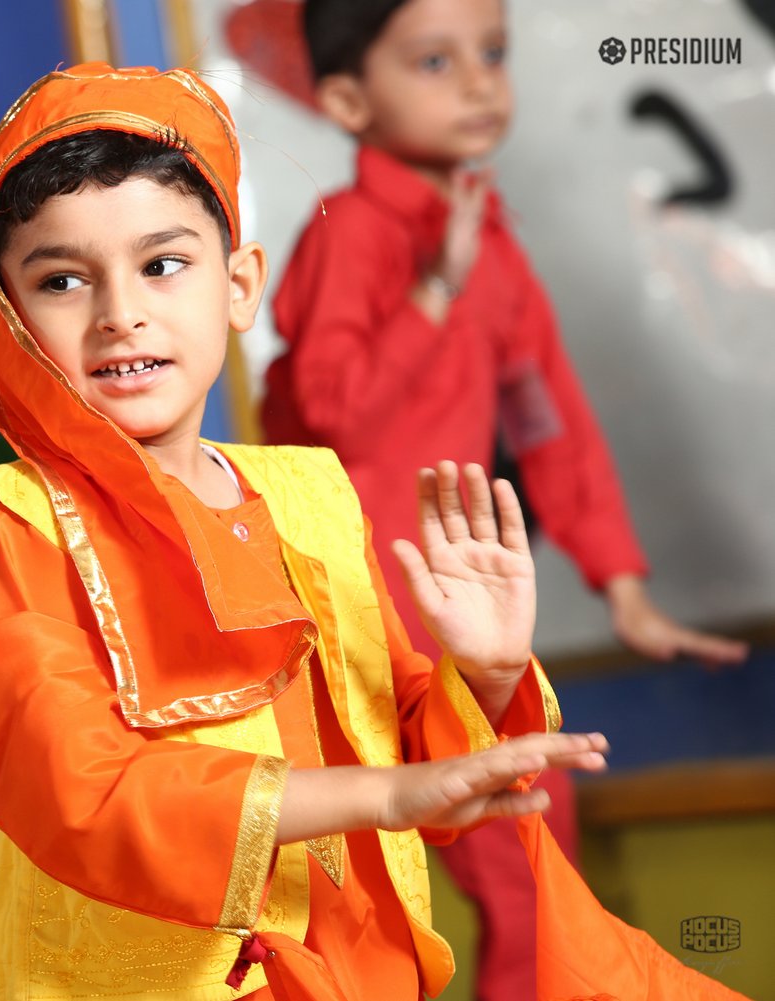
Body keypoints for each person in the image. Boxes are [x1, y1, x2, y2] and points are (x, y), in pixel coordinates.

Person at [0, 62, 748, 1000]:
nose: (122, 314)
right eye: (63, 280)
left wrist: (482, 669)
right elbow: (79, 794)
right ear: (7, 318)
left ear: (239, 285)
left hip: (355, 971)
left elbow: (411, 761)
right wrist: (384, 797)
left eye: (162, 264)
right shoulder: (8, 528)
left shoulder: (310, 495)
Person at [261, 0, 748, 995]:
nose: (480, 81)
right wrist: (434, 293)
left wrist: (622, 581)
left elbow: (546, 416)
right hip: (357, 606)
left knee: (529, 862)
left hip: (457, 610)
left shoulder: (488, 238)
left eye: (493, 53)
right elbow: (326, 404)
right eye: (435, 61)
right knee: (356, 896)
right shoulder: (351, 232)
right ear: (349, 98)